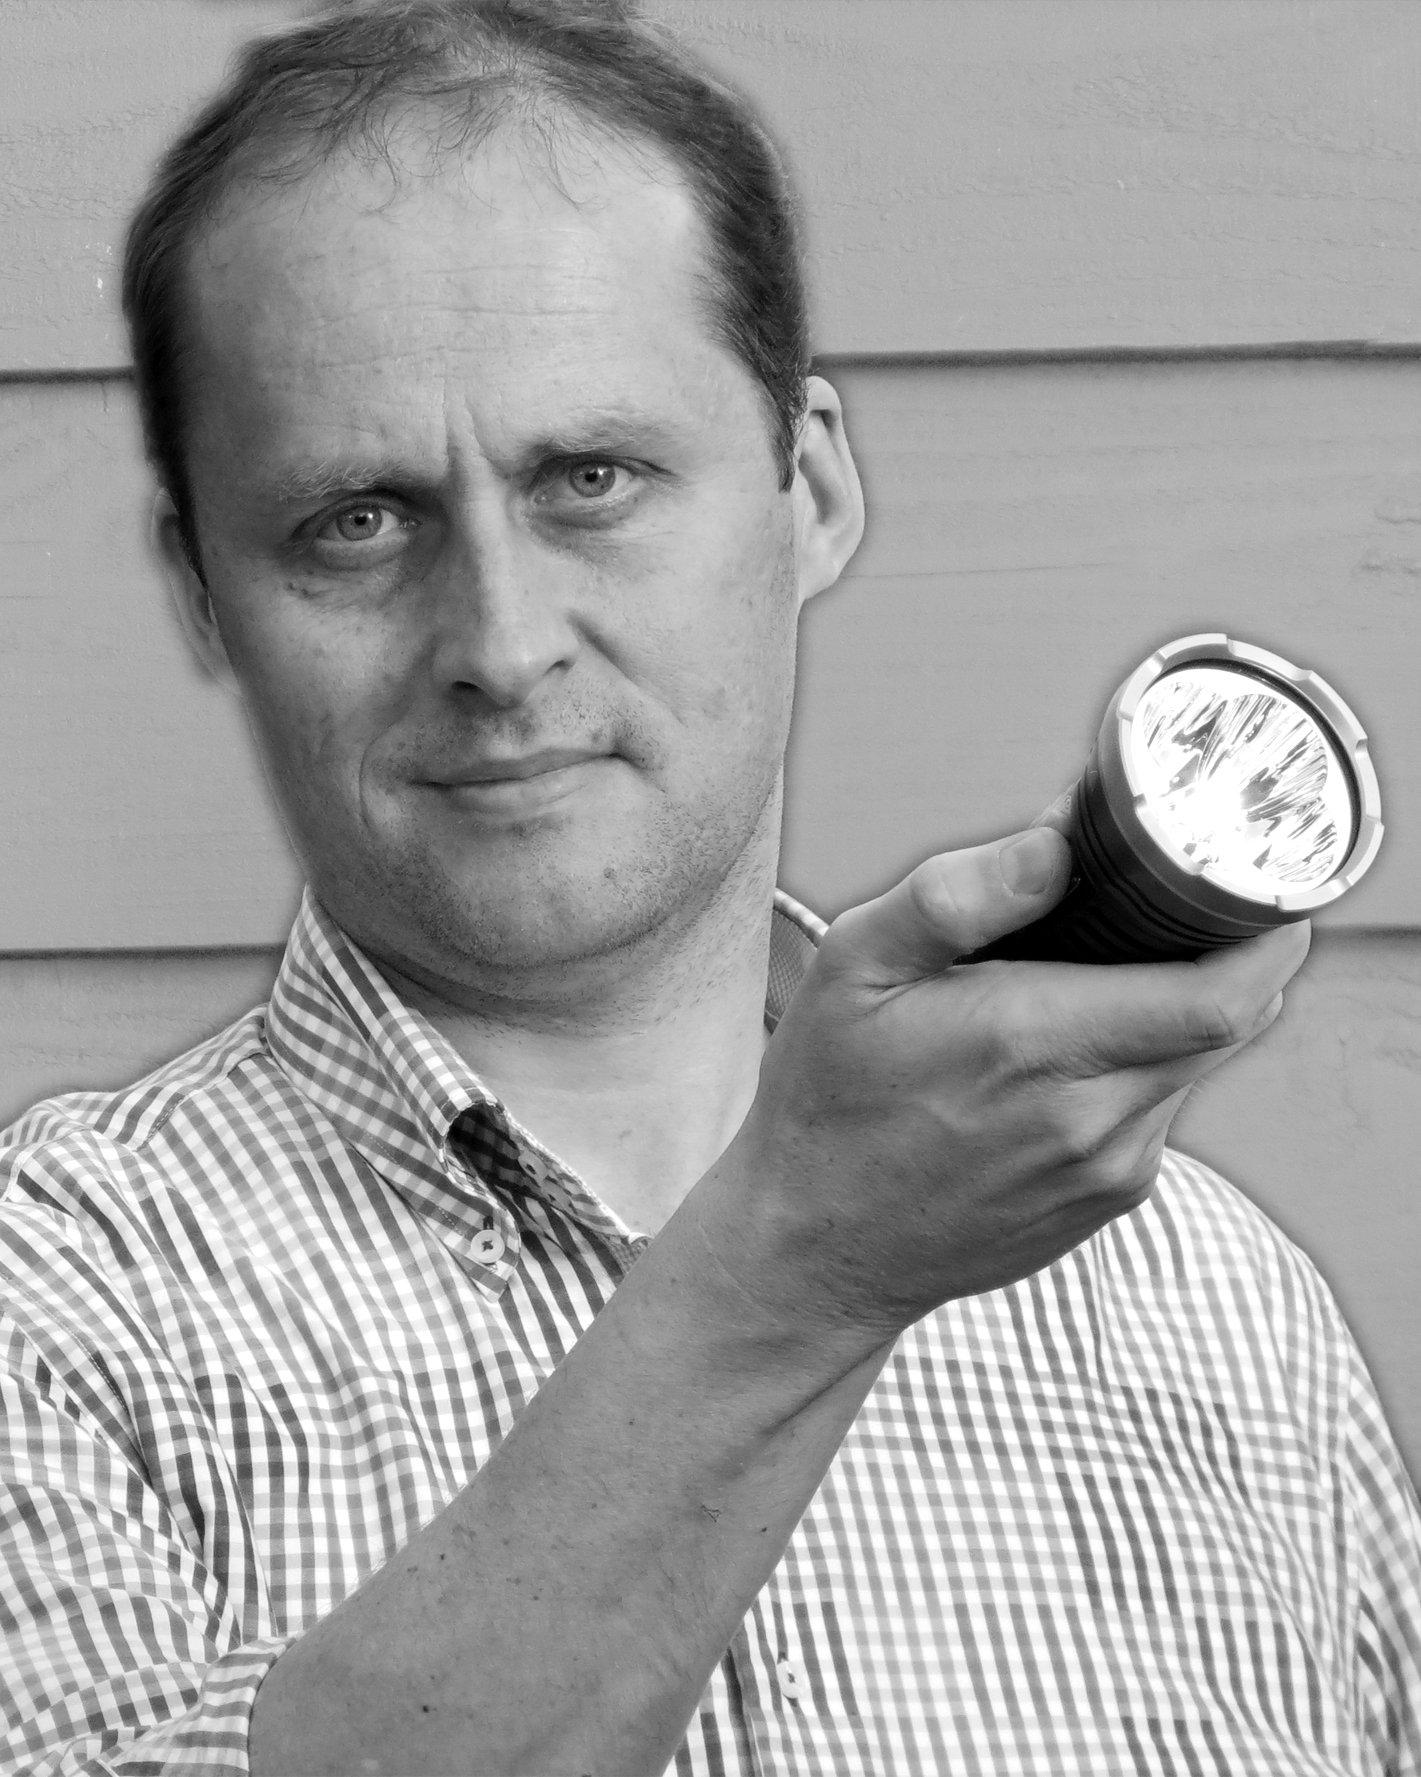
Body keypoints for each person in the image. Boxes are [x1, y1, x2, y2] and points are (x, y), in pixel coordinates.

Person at [1, 0, 1417, 1771]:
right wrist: (799, 1271)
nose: (501, 643)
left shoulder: (1223, 1311)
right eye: (355, 519)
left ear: (805, 488)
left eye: (590, 479)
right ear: (204, 590)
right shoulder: (53, 1299)